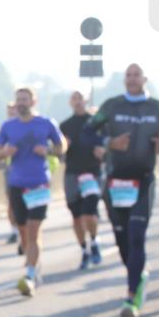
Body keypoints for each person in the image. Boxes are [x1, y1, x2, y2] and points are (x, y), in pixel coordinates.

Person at [81, 63, 159, 317]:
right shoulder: (112, 106)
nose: (133, 79)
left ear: (145, 78)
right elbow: (87, 132)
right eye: (129, 75)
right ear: (124, 80)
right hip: (115, 181)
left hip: (144, 180)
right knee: (123, 241)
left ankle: (131, 296)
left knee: (137, 236)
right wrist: (108, 143)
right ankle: (138, 276)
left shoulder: (156, 107)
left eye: (137, 75)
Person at [0, 87, 64, 296]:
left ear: (33, 101)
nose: (21, 103)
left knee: (34, 230)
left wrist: (49, 150)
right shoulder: (8, 126)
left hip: (39, 183)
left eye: (25, 99)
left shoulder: (45, 123)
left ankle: (31, 273)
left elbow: (62, 146)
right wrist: (4, 152)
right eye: (18, 100)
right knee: (23, 231)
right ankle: (33, 264)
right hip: (17, 183)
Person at [59, 91, 104, 269]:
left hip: (91, 172)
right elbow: (57, 150)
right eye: (74, 99)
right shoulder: (65, 125)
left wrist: (102, 150)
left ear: (85, 100)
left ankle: (94, 241)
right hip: (72, 174)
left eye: (80, 98)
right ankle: (84, 249)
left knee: (89, 213)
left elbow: (106, 142)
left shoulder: (96, 122)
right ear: (70, 102)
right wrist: (63, 147)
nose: (77, 102)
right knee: (77, 218)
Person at [3, 101, 22, 250]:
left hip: (32, 173)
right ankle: (14, 230)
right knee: (11, 202)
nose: (11, 113)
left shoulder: (29, 125)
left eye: (13, 110)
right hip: (11, 170)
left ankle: (24, 233)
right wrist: (5, 151)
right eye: (9, 111)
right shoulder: (6, 128)